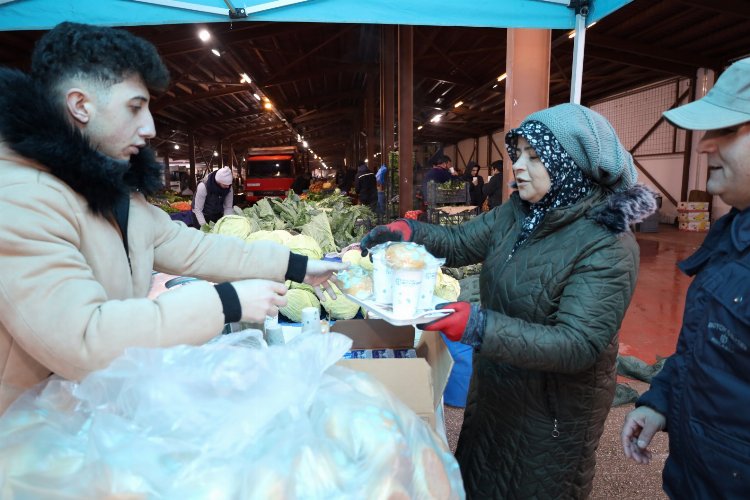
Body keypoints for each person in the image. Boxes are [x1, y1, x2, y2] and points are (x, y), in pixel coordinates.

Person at [0, 22, 345, 415]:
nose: (149, 129)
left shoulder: (118, 195)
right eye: (135, 107)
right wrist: (226, 302)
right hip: (25, 436)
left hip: (86, 413)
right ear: (81, 106)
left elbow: (198, 249)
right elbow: (83, 340)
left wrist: (298, 266)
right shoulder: (20, 199)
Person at [361, 103, 657, 498]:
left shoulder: (607, 243)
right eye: (518, 154)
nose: (518, 166)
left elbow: (578, 345)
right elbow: (459, 241)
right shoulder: (519, 214)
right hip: (498, 386)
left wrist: (479, 326)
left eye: (535, 158)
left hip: (551, 411)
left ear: (570, 164)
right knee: (481, 478)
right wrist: (407, 232)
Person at [621, 57, 750, 498]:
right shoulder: (732, 235)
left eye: (727, 131)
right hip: (701, 477)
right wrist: (662, 400)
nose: (705, 146)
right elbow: (710, 353)